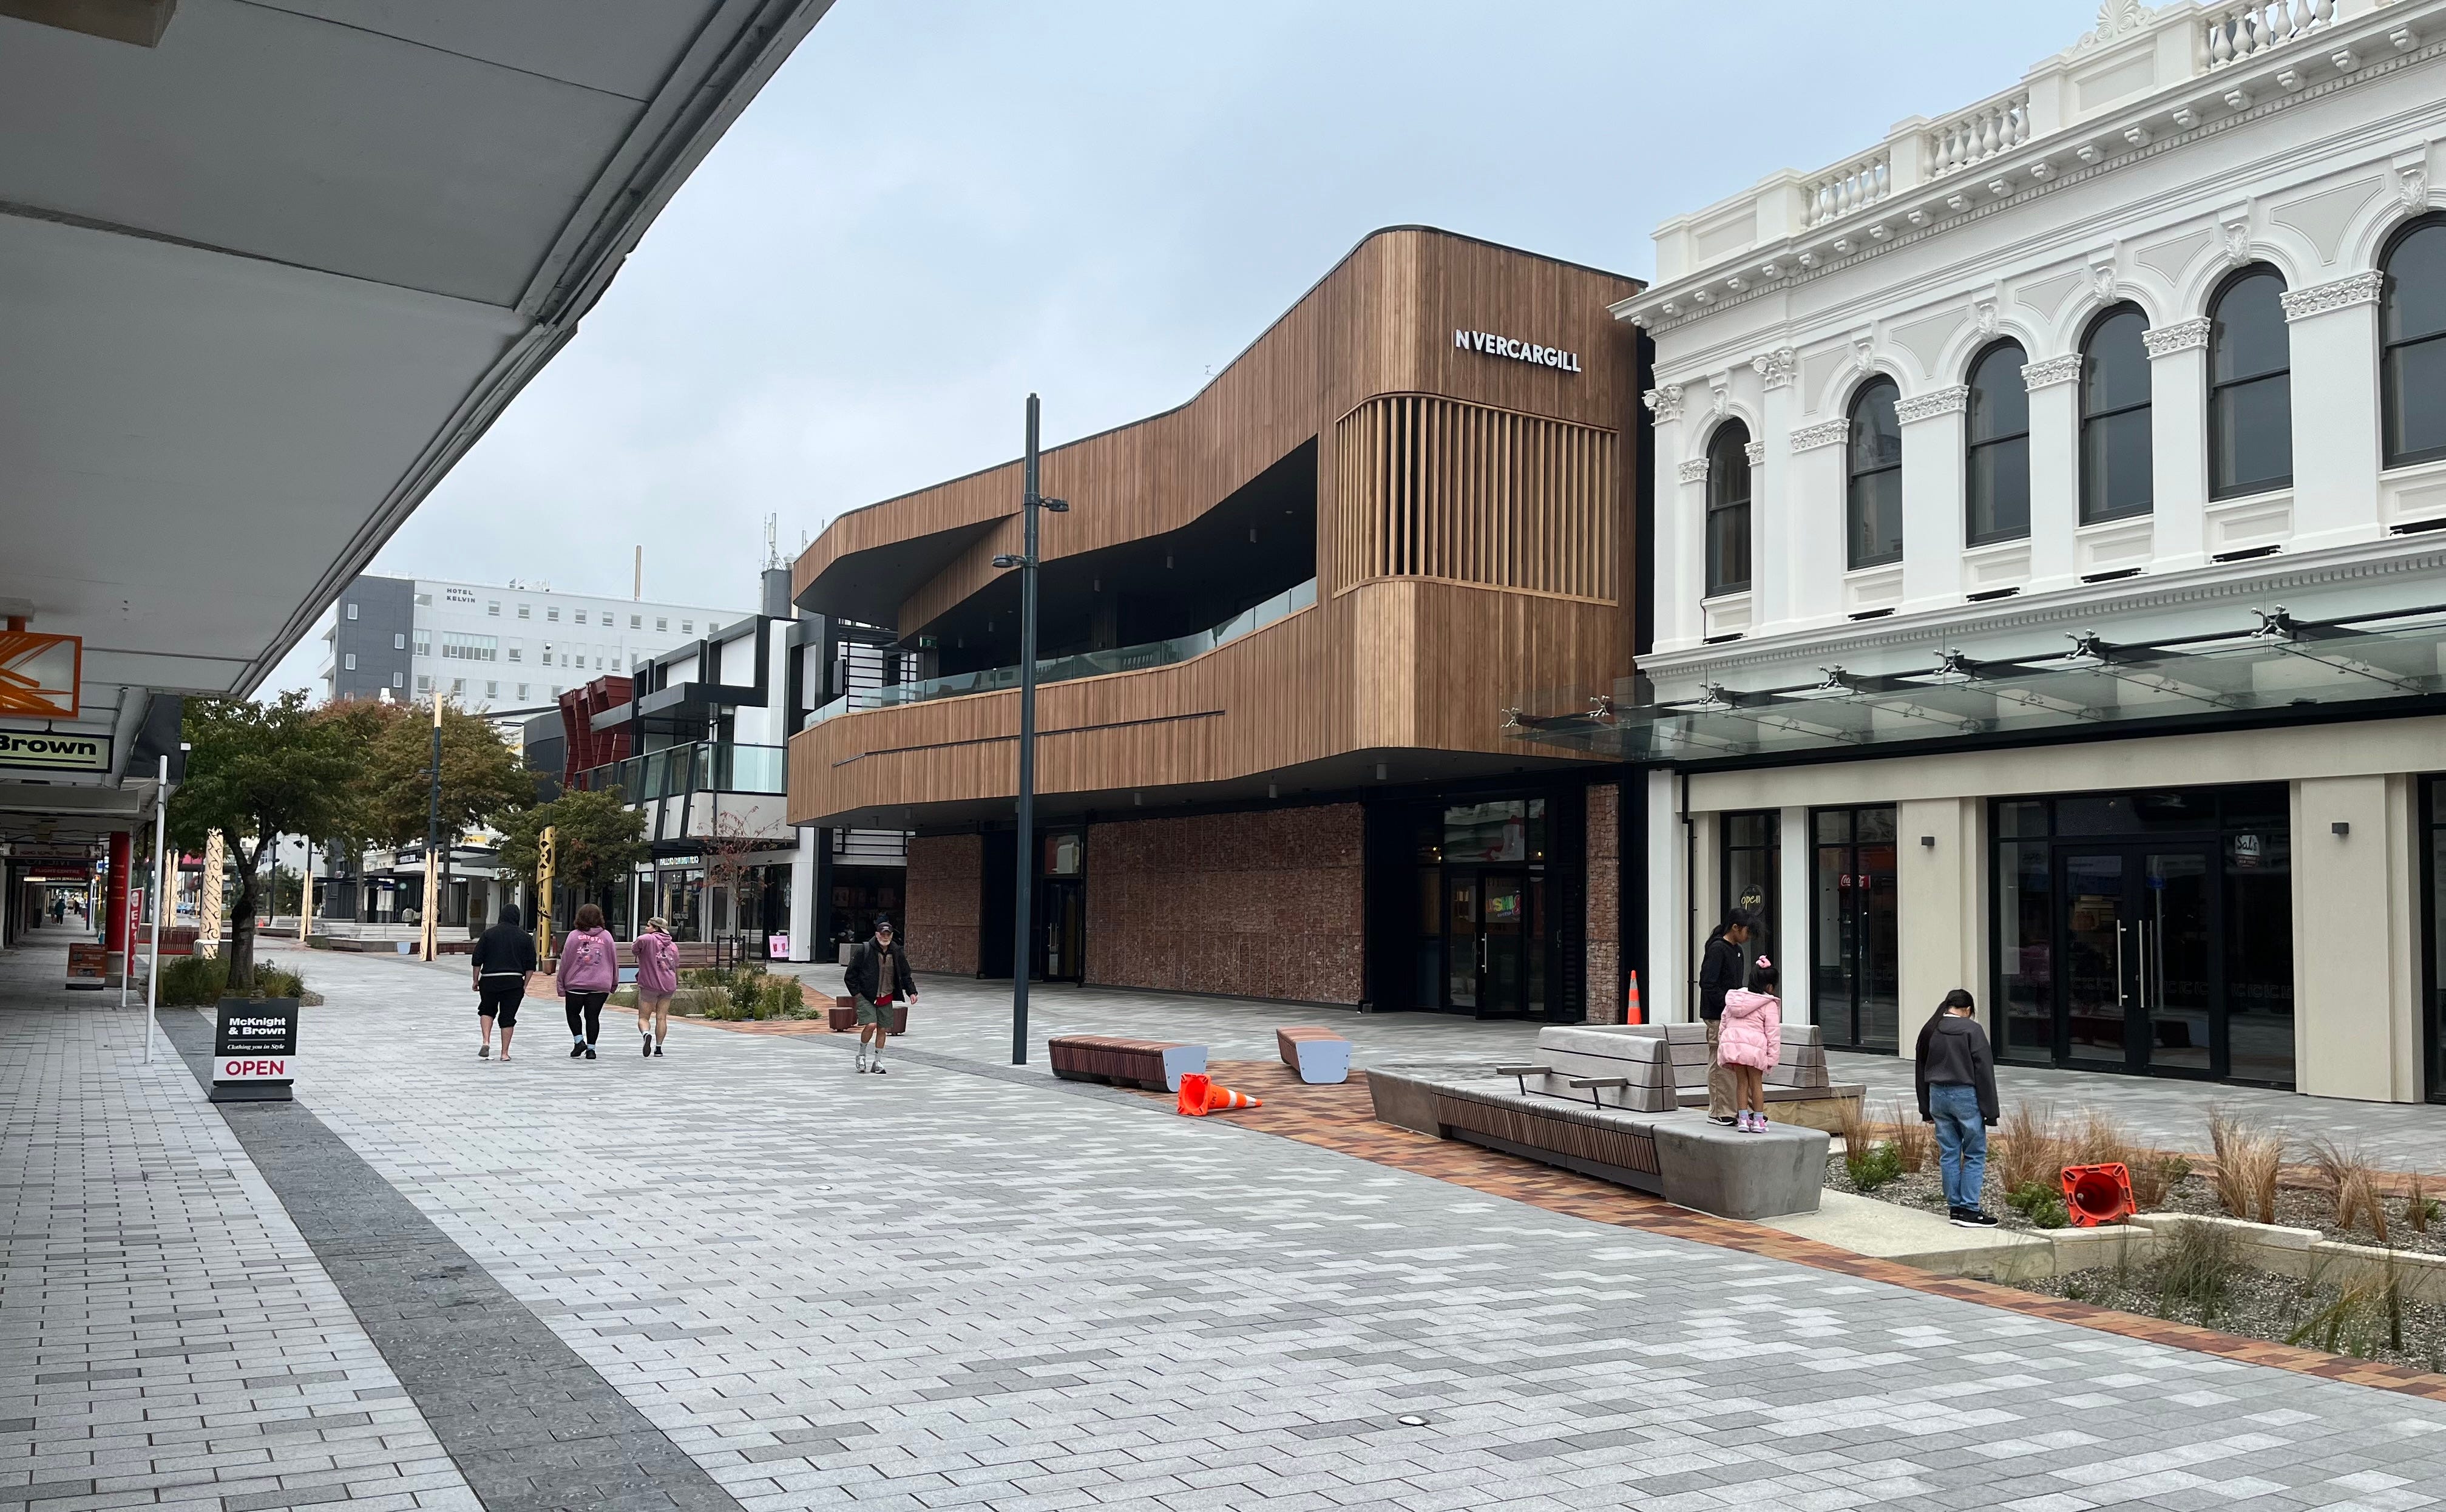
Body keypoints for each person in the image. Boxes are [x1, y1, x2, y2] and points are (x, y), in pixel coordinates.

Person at [1916, 988, 2001, 1229]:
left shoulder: (1930, 1029)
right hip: (1964, 1096)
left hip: (1937, 1096)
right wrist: (1991, 1111)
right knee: (1974, 1153)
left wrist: (1926, 1109)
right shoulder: (1972, 1030)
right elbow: (1984, 1071)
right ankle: (1970, 1210)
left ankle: (1955, 1209)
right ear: (1968, 1010)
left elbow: (1920, 1069)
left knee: (1949, 1152)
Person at [1697, 909, 1752, 1127]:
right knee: (1720, 1061)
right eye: (1747, 931)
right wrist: (1729, 1002)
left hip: (1731, 1013)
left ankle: (1740, 1109)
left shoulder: (1737, 950)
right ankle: (1719, 1111)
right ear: (1735, 928)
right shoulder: (1718, 948)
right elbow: (1707, 983)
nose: (1748, 937)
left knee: (1734, 1061)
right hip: (1717, 1014)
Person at [1715, 954, 1783, 1133]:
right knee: (1756, 1084)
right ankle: (1759, 1121)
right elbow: (1773, 1033)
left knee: (1741, 1083)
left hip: (1734, 1046)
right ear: (1769, 986)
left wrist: (1723, 1041)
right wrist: (1772, 1057)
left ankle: (1744, 1120)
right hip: (1754, 1049)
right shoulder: (1768, 1004)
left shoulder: (1736, 999)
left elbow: (1724, 1021)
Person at [842, 915, 916, 1075]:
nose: (885, 937)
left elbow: (905, 973)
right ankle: (861, 1056)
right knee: (871, 1025)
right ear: (877, 935)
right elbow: (850, 975)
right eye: (882, 934)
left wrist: (911, 991)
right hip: (867, 996)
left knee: (883, 1029)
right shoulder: (865, 950)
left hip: (886, 995)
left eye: (888, 935)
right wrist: (857, 995)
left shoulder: (896, 952)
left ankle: (878, 1061)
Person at [470, 903, 537, 1062]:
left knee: (487, 1010)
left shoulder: (488, 934)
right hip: (513, 981)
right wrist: (525, 984)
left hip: (489, 980)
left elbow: (477, 959)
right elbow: (530, 966)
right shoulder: (525, 938)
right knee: (508, 1017)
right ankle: (504, 1053)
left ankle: (486, 1041)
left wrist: (475, 980)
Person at [556, 903, 618, 1060]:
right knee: (593, 1017)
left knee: (573, 1013)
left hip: (576, 983)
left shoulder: (574, 936)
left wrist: (561, 983)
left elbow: (566, 961)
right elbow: (613, 961)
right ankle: (591, 1050)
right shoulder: (607, 936)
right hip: (600, 984)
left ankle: (579, 1041)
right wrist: (614, 983)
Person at [634, 916, 679, 1058]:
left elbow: (636, 947)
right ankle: (659, 1049)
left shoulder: (648, 939)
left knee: (643, 1018)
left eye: (648, 926)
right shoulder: (673, 946)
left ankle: (646, 1034)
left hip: (650, 984)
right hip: (668, 985)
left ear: (655, 928)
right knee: (662, 1018)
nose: (646, 928)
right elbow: (676, 965)